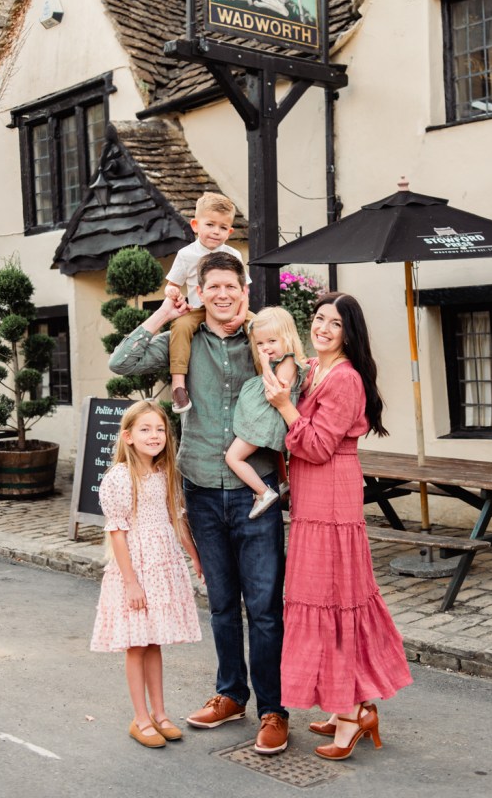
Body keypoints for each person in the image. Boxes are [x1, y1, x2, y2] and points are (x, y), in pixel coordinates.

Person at [109, 251, 290, 756]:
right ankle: (231, 693)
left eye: (232, 287)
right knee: (222, 604)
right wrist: (166, 311)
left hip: (260, 491)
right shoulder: (180, 341)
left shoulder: (265, 340)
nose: (223, 295)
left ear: (244, 290)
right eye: (214, 288)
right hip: (202, 489)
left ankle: (273, 708)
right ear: (202, 292)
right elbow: (121, 361)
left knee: (265, 608)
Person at [264, 292, 412, 761]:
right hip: (313, 497)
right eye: (319, 318)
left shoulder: (344, 379)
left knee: (334, 597)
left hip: (330, 494)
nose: (324, 328)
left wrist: (287, 407)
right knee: (323, 596)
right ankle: (349, 702)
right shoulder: (314, 369)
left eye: (336, 323)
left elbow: (317, 446)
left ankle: (350, 718)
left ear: (350, 333)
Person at [90, 400, 203, 749]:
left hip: (163, 565)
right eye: (145, 429)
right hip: (136, 569)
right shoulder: (119, 478)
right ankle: (140, 718)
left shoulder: (166, 473)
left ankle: (161, 712)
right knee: (137, 644)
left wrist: (196, 559)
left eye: (159, 429)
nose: (154, 436)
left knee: (154, 641)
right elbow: (117, 531)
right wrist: (131, 582)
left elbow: (177, 520)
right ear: (128, 436)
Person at [164, 192, 250, 414]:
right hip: (198, 309)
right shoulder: (186, 255)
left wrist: (241, 315)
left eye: (222, 228)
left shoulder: (233, 255)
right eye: (210, 224)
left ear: (230, 231)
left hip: (231, 308)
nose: (215, 231)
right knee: (180, 327)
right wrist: (173, 292)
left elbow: (244, 289)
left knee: (260, 324)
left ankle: (268, 377)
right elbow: (171, 285)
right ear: (195, 225)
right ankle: (178, 386)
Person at [225, 306, 307, 519]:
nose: (266, 348)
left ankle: (263, 492)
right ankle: (283, 483)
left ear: (286, 338)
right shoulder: (282, 361)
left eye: (272, 341)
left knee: (233, 458)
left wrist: (264, 364)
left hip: (264, 422)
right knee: (275, 453)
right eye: (260, 343)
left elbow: (276, 388)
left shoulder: (288, 361)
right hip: (264, 419)